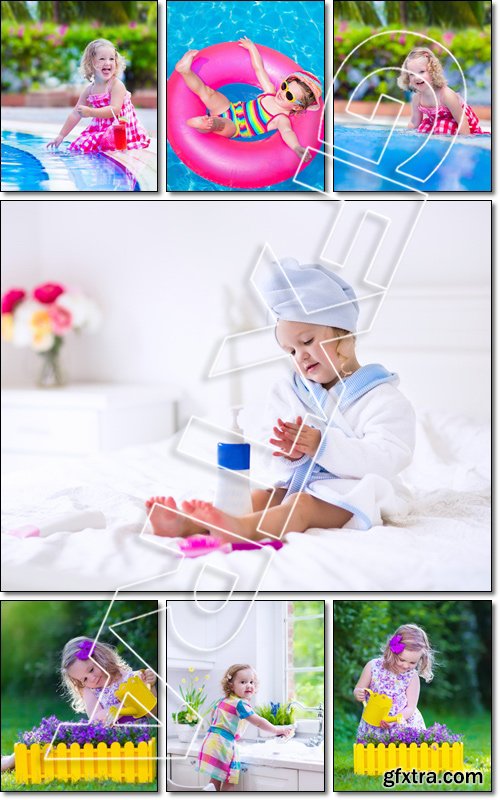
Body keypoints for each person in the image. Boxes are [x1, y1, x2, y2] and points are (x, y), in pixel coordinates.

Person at [145, 258, 416, 543]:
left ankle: (244, 530)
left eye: (307, 341)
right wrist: (288, 451)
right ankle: (189, 525)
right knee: (265, 496)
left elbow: (386, 458)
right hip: (303, 483)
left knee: (301, 506)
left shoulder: (383, 399)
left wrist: (321, 445)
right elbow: (268, 440)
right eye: (291, 351)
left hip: (356, 492)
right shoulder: (290, 391)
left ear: (343, 333)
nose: (301, 356)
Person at [1, 637, 157, 772]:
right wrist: (120, 707)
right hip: (103, 739)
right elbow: (96, 720)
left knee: (61, 736)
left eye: (91, 669)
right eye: (84, 679)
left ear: (101, 657)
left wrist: (151, 685)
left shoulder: (130, 677)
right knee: (54, 732)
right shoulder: (90, 690)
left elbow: (153, 711)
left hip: (132, 740)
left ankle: (18, 758)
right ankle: (11, 760)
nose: (92, 679)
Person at [174, 38, 322, 162]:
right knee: (208, 93)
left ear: (296, 107)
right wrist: (252, 49)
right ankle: (185, 71)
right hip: (230, 108)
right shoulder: (270, 92)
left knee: (219, 124)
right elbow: (259, 70)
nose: (282, 93)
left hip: (236, 127)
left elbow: (287, 132)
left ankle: (205, 123)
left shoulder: (281, 118)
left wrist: (296, 147)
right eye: (284, 86)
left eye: (289, 96)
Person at [197, 664, 294, 791]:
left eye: (252, 682)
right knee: (229, 780)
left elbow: (213, 718)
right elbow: (258, 722)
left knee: (214, 780)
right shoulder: (240, 704)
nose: (249, 685)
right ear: (231, 685)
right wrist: (277, 730)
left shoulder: (222, 701)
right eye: (243, 682)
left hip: (210, 742)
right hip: (223, 745)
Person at [46, 39, 150, 152]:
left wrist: (90, 112)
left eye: (111, 59)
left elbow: (114, 110)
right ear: (91, 64)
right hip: (102, 128)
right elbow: (76, 113)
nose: (108, 62)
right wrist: (61, 135)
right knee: (79, 146)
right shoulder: (89, 90)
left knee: (104, 144)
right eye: (102, 59)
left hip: (120, 129)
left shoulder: (116, 85)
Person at [353, 624, 433, 742]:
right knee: (374, 755)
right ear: (392, 651)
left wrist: (393, 720)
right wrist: (358, 693)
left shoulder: (412, 676)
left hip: (400, 724)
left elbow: (411, 708)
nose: (406, 665)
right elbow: (359, 689)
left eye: (412, 662)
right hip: (374, 722)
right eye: (402, 660)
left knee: (403, 755)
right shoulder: (373, 666)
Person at [398, 46, 489, 135]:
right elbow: (414, 122)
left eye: (422, 72)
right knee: (423, 129)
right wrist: (405, 135)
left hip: (462, 123)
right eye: (411, 74)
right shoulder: (417, 98)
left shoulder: (446, 95)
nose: (416, 77)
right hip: (436, 123)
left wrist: (464, 143)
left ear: (432, 71)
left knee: (442, 128)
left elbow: (462, 120)